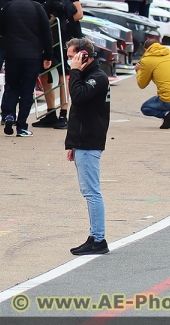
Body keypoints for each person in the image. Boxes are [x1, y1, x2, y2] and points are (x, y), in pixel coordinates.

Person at [63, 37, 111, 256]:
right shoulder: (87, 76)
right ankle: (95, 235)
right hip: (82, 141)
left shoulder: (97, 77)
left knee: (92, 192)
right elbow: (79, 112)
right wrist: (73, 143)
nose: (70, 62)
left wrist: (75, 71)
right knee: (88, 191)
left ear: (83, 56)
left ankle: (99, 239)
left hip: (90, 141)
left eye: (72, 57)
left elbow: (78, 97)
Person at [0, 0, 52, 138]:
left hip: (12, 54)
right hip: (32, 56)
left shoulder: (8, 7)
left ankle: (9, 115)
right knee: (27, 91)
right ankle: (21, 127)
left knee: (12, 87)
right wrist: (48, 56)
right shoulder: (38, 8)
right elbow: (47, 34)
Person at [34, 0, 82, 130]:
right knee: (46, 72)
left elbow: (79, 14)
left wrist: (61, 23)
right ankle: (50, 113)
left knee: (63, 76)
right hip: (49, 39)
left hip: (65, 39)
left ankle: (63, 112)